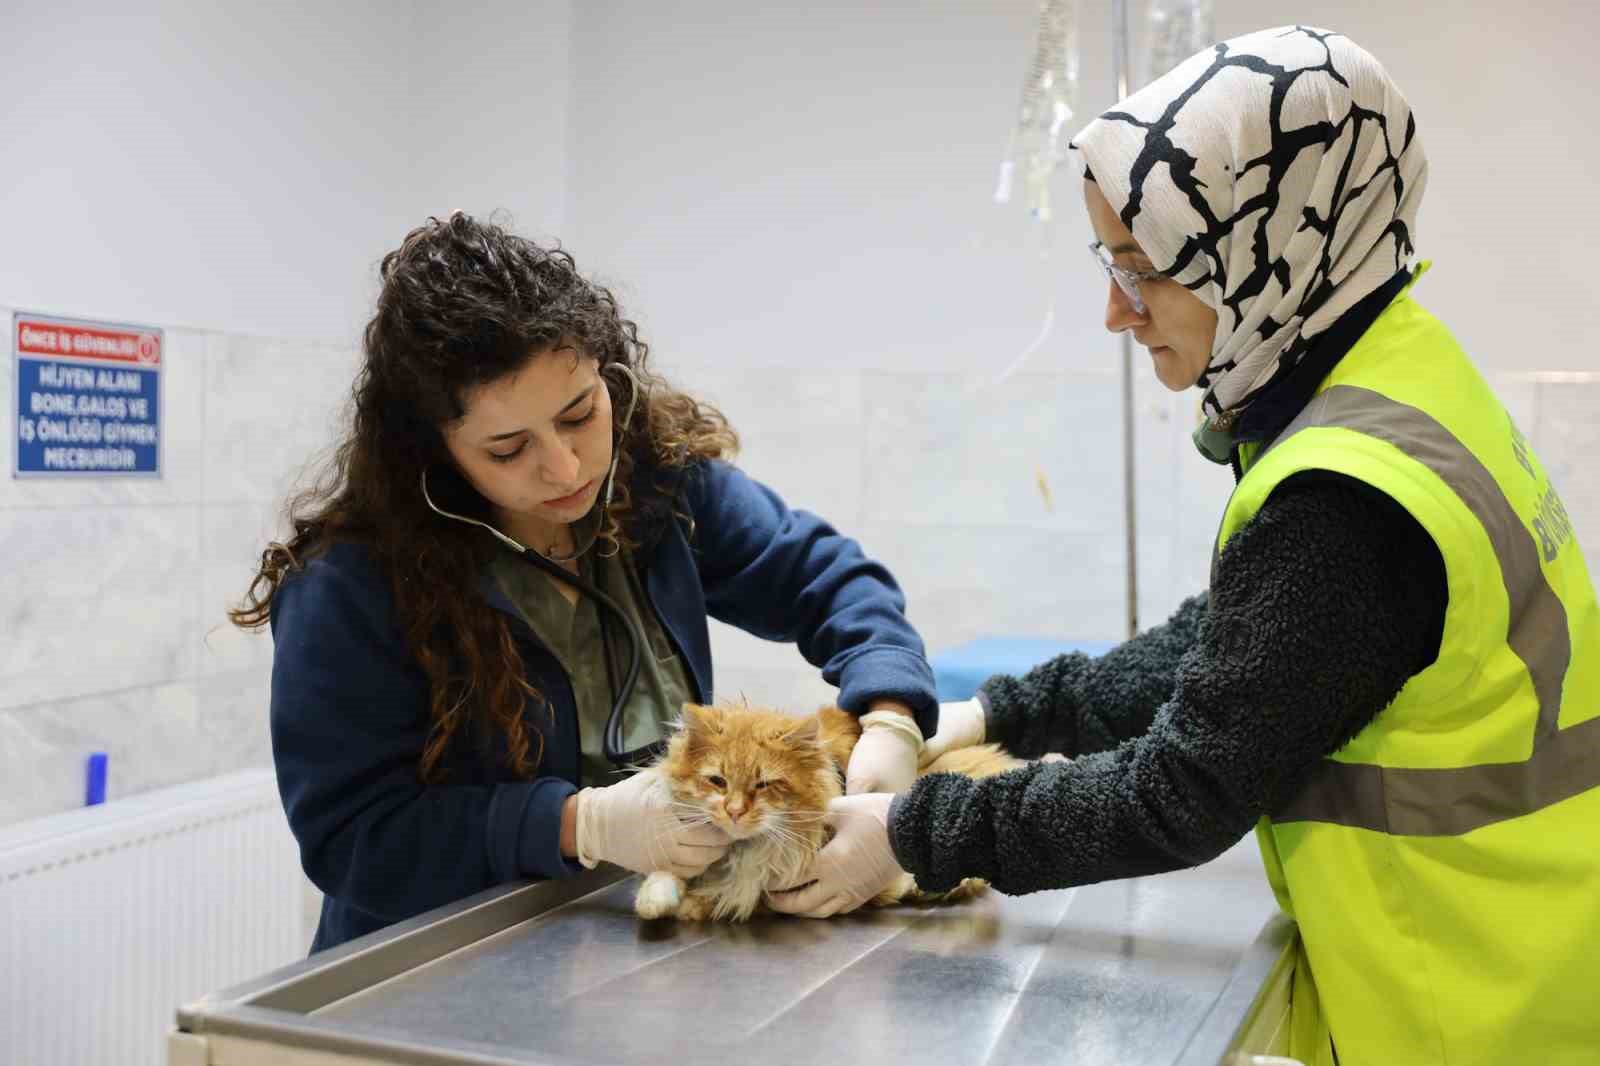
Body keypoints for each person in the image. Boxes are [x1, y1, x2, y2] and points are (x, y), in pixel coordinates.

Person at [766, 26, 1600, 1066]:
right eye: (1108, 264)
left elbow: (1181, 791)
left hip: (1474, 1001)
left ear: (1268, 243)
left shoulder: (1346, 498)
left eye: (1146, 270)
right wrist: (988, 715)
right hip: (1533, 945)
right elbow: (1231, 639)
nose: (1115, 312)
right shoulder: (1397, 376)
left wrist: (910, 835)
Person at [231, 212, 937, 952]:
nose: (566, 468)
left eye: (580, 414)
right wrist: (577, 825)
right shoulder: (349, 588)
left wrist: (891, 714)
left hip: (625, 950)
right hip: (439, 966)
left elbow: (831, 580)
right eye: (508, 449)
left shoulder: (661, 490)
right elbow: (355, 841)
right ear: (432, 454)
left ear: (611, 375)